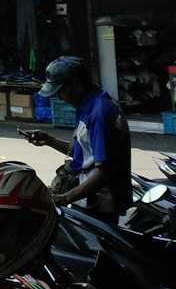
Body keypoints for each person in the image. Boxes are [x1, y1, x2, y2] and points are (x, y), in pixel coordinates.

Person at [25, 56, 132, 225]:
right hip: (89, 198)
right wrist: (49, 140)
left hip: (101, 203)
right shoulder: (89, 105)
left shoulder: (99, 113)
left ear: (76, 84)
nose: (59, 96)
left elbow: (103, 170)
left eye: (61, 90)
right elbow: (84, 153)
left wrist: (63, 198)